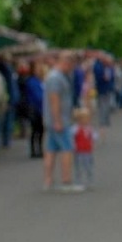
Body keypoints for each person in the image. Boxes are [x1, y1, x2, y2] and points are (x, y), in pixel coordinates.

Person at [42, 52, 79, 192]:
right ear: (66, 63)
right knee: (67, 149)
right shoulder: (56, 78)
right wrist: (57, 120)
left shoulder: (56, 76)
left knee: (51, 150)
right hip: (59, 120)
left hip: (54, 120)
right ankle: (66, 180)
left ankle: (48, 180)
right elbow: (54, 100)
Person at [71, 105, 96, 189]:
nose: (87, 120)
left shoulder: (89, 128)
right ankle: (78, 181)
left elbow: (94, 136)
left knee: (88, 166)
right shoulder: (75, 128)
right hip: (79, 151)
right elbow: (71, 136)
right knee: (78, 167)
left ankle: (90, 180)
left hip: (87, 151)